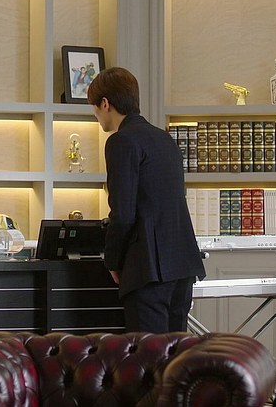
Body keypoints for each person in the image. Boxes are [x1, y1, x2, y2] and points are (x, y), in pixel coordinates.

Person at [87, 66, 206, 333]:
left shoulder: (121, 141)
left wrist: (112, 261)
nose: (95, 115)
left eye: (94, 108)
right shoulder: (165, 139)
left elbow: (123, 213)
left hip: (148, 268)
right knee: (174, 353)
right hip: (182, 264)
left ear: (105, 103)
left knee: (148, 353)